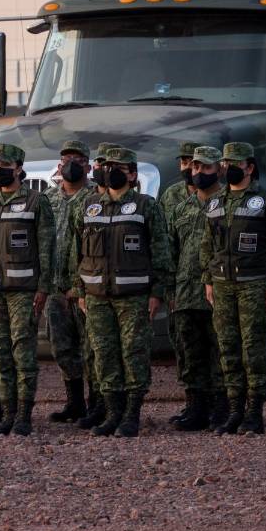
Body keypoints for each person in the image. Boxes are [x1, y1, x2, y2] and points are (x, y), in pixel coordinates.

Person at [63, 147, 170, 437]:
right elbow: (77, 251)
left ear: (132, 174)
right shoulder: (88, 206)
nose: (110, 171)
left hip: (134, 296)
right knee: (104, 354)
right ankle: (112, 413)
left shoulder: (146, 206)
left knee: (133, 353)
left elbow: (160, 252)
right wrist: (79, 290)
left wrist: (156, 293)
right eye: (107, 165)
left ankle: (131, 414)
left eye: (118, 167)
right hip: (97, 296)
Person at [201, 142, 266, 435]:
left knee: (254, 349)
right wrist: (208, 280)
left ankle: (254, 412)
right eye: (225, 163)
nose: (228, 168)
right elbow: (208, 245)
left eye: (234, 163)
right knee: (227, 347)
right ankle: (235, 410)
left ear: (250, 167)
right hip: (222, 284)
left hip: (253, 283)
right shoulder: (216, 202)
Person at [0, 144, 54, 436]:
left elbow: (46, 249)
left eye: (3, 164)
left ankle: (24, 415)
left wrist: (43, 288)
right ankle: (7, 413)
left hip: (23, 291)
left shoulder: (35, 202)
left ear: (17, 167)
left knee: (22, 352)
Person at [164, 145, 227, 431]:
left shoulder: (227, 203)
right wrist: (170, 290)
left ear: (219, 169)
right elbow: (170, 252)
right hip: (186, 292)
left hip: (218, 292)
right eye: (195, 167)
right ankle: (195, 406)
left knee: (220, 351)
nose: (198, 172)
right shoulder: (181, 208)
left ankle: (221, 408)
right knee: (189, 352)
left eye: (205, 167)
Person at [45, 139, 94, 423]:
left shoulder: (94, 199)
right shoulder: (48, 199)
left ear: (87, 165)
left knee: (91, 347)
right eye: (65, 159)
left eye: (77, 159)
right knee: (61, 347)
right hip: (54, 286)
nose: (70, 164)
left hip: (85, 287)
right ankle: (74, 402)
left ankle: (97, 403)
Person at [158, 140, 199, 426]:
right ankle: (192, 402)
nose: (187, 168)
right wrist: (166, 286)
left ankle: (215, 405)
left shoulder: (219, 197)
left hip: (208, 285)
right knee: (184, 347)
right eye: (183, 162)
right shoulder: (172, 196)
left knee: (211, 347)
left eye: (192, 162)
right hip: (180, 286)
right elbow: (164, 243)